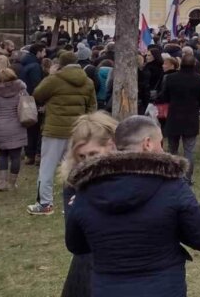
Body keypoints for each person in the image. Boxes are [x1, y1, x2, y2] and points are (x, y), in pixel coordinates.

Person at [65, 115, 200, 297]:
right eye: (161, 142)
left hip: (109, 287)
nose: (163, 148)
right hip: (163, 286)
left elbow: (76, 245)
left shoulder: (85, 192)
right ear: (148, 143)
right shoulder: (171, 185)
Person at [28, 51, 97, 216]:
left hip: (54, 129)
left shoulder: (54, 80)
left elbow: (37, 94)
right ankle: (77, 200)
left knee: (47, 167)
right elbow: (92, 106)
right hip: (77, 130)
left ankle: (45, 203)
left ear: (60, 64)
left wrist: (51, 74)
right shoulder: (87, 81)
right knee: (75, 167)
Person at [59, 112, 118, 297]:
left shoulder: (133, 175)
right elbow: (75, 237)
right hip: (88, 265)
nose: (88, 162)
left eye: (93, 154)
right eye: (82, 156)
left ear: (112, 146)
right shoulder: (73, 181)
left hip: (126, 266)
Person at [156, 53, 200, 183]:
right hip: (191, 117)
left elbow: (165, 97)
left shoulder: (171, 78)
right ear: (194, 64)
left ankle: (171, 175)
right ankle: (187, 178)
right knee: (189, 150)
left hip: (174, 116)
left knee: (172, 148)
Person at [0, 68, 28, 191]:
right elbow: (27, 105)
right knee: (16, 156)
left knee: (2, 155)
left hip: (1, 125)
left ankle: (2, 182)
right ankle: (12, 183)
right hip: (17, 125)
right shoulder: (21, 89)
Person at [20, 43, 46, 165]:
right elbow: (38, 86)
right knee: (36, 129)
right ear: (39, 52)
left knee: (29, 129)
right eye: (43, 51)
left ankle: (29, 154)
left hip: (26, 99)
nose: (45, 54)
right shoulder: (35, 66)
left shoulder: (24, 64)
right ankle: (35, 154)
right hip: (34, 101)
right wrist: (41, 102)